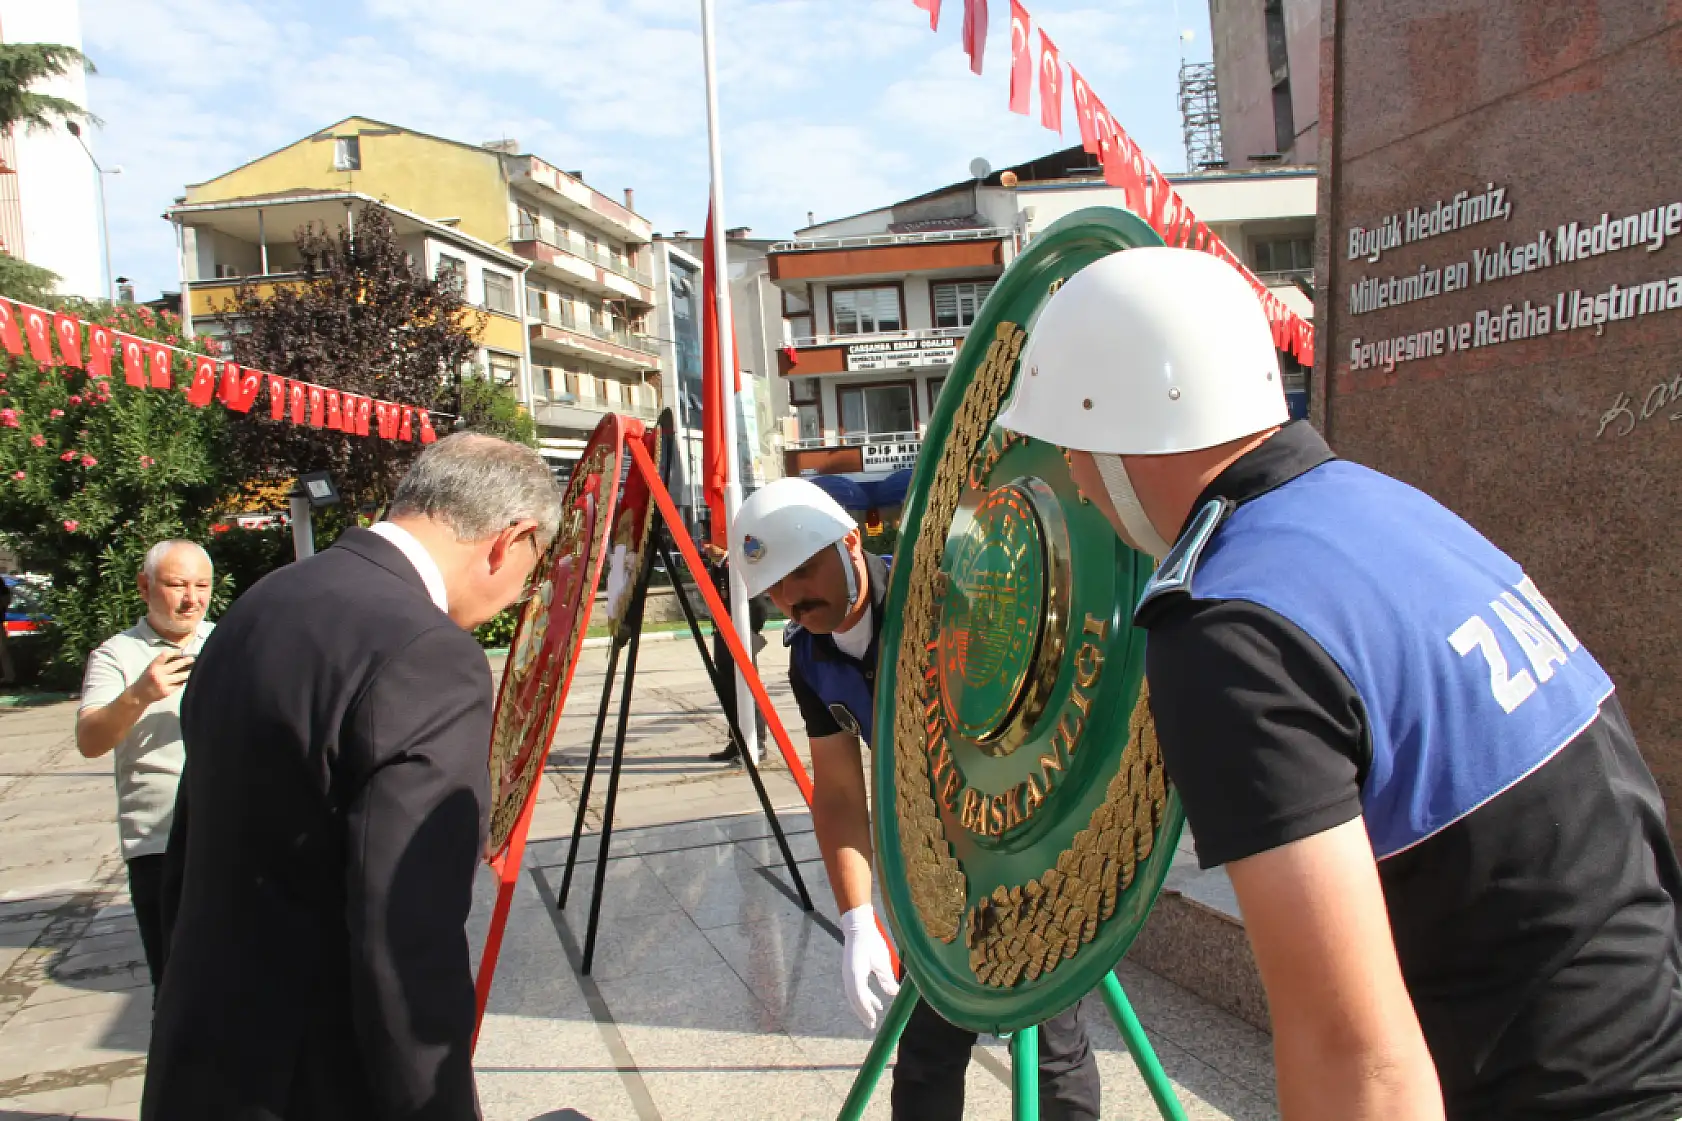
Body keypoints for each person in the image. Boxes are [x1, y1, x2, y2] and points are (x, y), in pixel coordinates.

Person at [995, 245, 1682, 1121]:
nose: (1077, 486)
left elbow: (1354, 1054)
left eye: (1069, 446)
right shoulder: (1377, 506)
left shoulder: (1229, 626)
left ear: (1121, 423)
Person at [142, 434, 563, 1121]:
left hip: (201, 1059)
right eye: (532, 570)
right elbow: (403, 935)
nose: (520, 596)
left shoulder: (260, 604)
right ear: (509, 539)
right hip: (317, 1081)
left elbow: (190, 849)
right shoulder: (429, 654)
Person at [730, 478, 1101, 1121]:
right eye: (775, 589)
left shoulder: (941, 598)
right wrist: (856, 918)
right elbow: (841, 792)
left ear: (851, 543)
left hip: (1022, 834)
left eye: (804, 572)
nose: (793, 599)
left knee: (1049, 1041)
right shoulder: (812, 660)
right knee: (929, 1044)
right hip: (937, 860)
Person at [75, 540, 215, 990]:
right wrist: (139, 695)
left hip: (230, 834)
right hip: (160, 842)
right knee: (176, 984)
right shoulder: (116, 655)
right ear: (144, 586)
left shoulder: (229, 640)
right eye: (177, 585)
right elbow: (90, 740)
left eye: (202, 586)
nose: (191, 598)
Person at [701, 542, 767, 764]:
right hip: (723, 636)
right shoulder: (720, 567)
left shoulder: (739, 566)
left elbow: (758, 606)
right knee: (729, 690)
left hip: (741, 638)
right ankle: (737, 740)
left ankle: (756, 743)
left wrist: (749, 633)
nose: (706, 546)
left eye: (711, 541)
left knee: (748, 689)